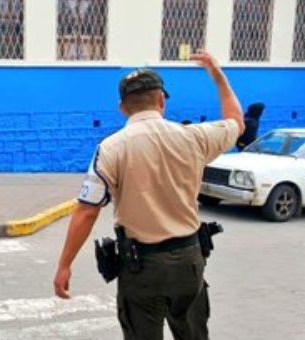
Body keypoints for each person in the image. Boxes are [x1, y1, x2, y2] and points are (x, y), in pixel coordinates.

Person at [53, 51, 245, 340]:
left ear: (122, 108)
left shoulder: (110, 148)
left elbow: (87, 210)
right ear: (161, 101)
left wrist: (64, 265)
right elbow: (236, 121)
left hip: (141, 268)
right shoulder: (195, 137)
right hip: (188, 262)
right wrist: (217, 75)